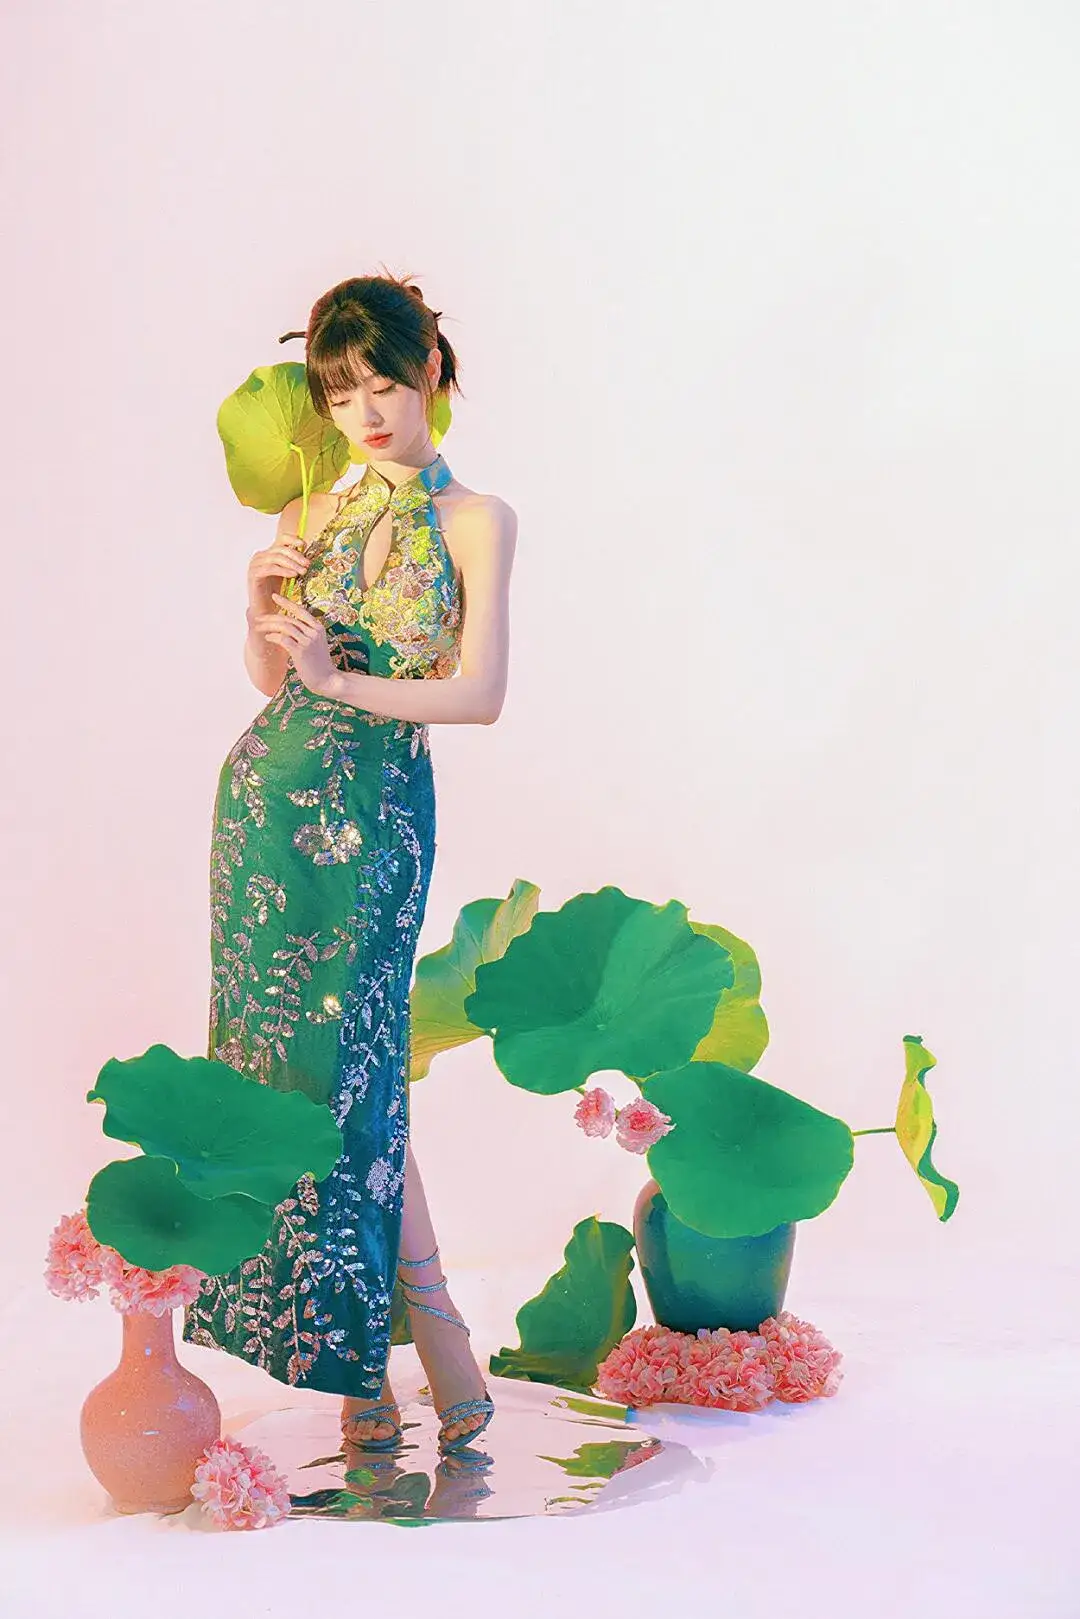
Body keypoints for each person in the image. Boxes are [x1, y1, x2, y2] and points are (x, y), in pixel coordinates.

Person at [182, 272, 517, 1455]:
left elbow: (478, 694)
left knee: (361, 1064)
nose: (365, 413)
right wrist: (258, 610)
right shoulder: (309, 511)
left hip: (376, 811)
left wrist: (338, 679)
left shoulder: (476, 520)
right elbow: (276, 680)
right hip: (266, 809)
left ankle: (425, 1338)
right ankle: (363, 1365)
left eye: (382, 384)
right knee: (292, 1073)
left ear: (429, 370)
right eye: (340, 394)